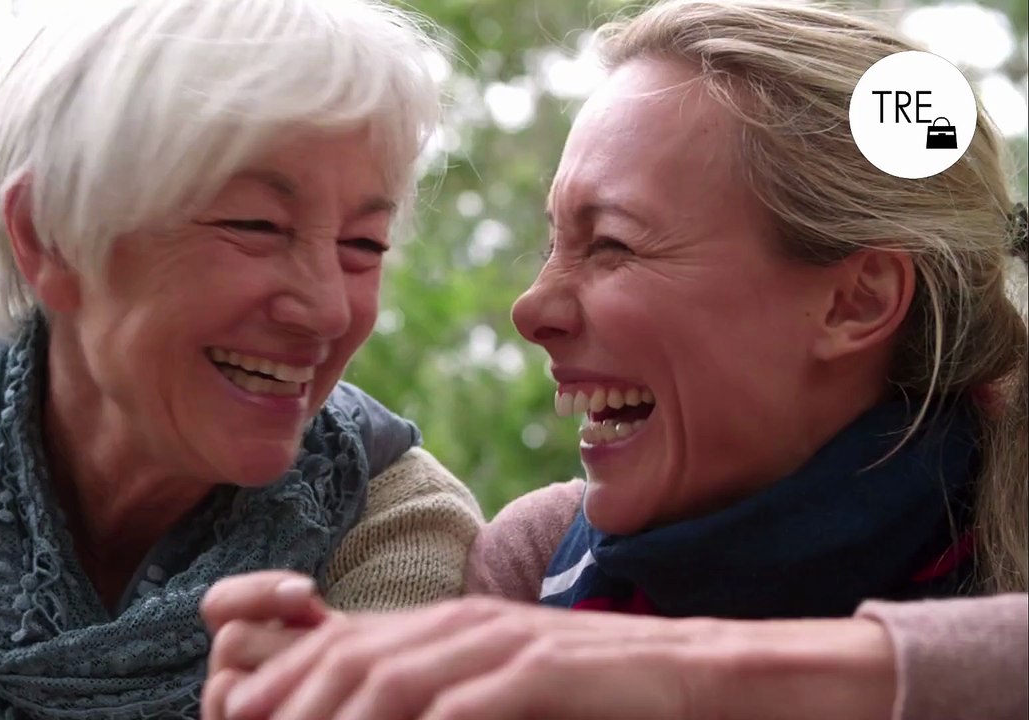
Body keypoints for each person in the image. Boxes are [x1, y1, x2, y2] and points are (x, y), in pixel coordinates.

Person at [198, 0, 1029, 717]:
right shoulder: (538, 566)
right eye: (554, 241)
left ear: (858, 301)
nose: (532, 310)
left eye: (613, 245)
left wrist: (685, 678)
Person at [0, 1, 484, 717]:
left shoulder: (399, 524)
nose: (328, 309)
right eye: (256, 225)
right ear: (46, 236)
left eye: (364, 245)